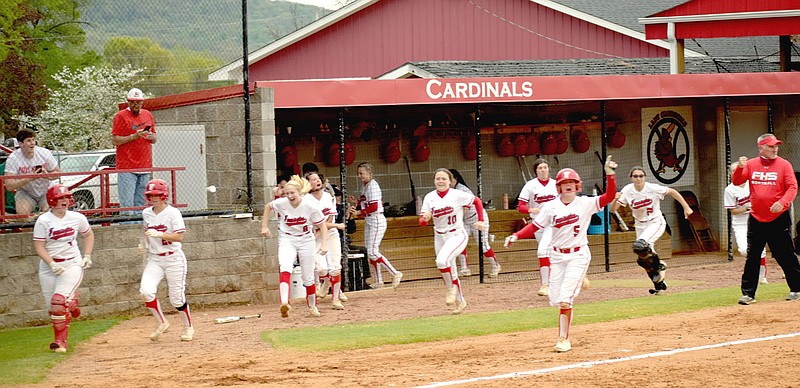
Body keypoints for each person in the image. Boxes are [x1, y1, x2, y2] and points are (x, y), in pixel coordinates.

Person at [504, 157, 618, 352]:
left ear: (577, 186)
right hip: (557, 257)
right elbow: (535, 225)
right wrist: (516, 235)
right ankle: (578, 280)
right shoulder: (551, 206)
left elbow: (609, 197)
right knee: (554, 299)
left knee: (565, 299)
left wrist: (610, 174)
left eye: (571, 183)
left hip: (578, 254)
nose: (568, 186)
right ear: (558, 187)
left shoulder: (585, 203)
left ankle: (563, 339)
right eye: (564, 183)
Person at [732, 133, 800, 305]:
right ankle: (748, 294)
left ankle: (796, 288)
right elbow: (737, 181)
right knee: (753, 256)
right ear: (760, 147)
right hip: (756, 218)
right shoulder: (751, 164)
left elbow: (792, 187)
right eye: (770, 146)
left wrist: (782, 202)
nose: (775, 148)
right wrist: (740, 167)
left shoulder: (784, 165)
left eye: (776, 145)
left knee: (784, 255)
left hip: (779, 218)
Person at [609, 166, 693, 295]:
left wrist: (686, 208)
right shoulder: (627, 190)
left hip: (655, 222)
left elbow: (672, 192)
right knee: (643, 259)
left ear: (645, 177)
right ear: (631, 178)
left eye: (641, 176)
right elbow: (612, 210)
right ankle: (659, 285)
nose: (638, 179)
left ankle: (660, 265)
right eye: (635, 176)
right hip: (640, 225)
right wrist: (615, 199)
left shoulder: (652, 188)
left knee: (641, 245)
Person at [33, 184, 94, 352]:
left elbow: (88, 234)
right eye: (60, 198)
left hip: (71, 264)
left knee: (58, 302)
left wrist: (87, 256)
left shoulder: (76, 217)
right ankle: (72, 304)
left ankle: (60, 343)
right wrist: (51, 263)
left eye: (66, 197)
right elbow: (39, 246)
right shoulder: (44, 220)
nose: (65, 201)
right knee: (52, 309)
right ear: (52, 201)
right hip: (49, 267)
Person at [419, 168, 486, 314]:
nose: (441, 181)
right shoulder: (430, 197)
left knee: (442, 261)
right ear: (434, 181)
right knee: (451, 271)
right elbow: (422, 221)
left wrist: (481, 220)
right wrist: (425, 218)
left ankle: (450, 289)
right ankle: (461, 301)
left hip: (456, 234)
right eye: (438, 178)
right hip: (439, 236)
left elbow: (477, 201)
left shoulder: (457, 194)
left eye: (444, 178)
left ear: (450, 181)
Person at [261, 175, 329, 318]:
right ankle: (284, 302)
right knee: (285, 267)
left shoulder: (309, 206)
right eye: (287, 193)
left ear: (299, 192)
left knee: (308, 277)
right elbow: (268, 207)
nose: (290, 196)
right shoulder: (282, 203)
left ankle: (312, 306)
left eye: (292, 193)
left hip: (306, 240)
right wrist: (264, 226)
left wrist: (324, 244)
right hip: (287, 239)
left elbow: (322, 224)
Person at [139, 179, 194, 341]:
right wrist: (143, 244)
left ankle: (187, 327)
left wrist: (160, 234)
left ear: (164, 195)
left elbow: (180, 236)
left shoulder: (173, 213)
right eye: (151, 195)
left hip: (173, 258)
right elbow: (145, 232)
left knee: (176, 298)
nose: (154, 198)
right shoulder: (146, 213)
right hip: (155, 259)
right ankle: (161, 322)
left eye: (157, 195)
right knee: (146, 291)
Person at [350, 162, 402, 289]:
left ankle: (395, 273)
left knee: (373, 252)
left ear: (370, 173)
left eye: (362, 173)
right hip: (370, 220)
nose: (360, 176)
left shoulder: (373, 185)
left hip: (377, 219)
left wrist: (359, 212)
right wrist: (356, 203)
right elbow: (365, 203)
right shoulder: (365, 186)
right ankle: (379, 281)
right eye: (358, 173)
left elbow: (373, 207)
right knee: (370, 251)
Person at [112, 88, 156, 219]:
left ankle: (139, 231)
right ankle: (126, 232)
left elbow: (155, 138)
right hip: (127, 167)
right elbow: (115, 140)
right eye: (132, 102)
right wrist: (133, 136)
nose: (135, 105)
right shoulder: (120, 116)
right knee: (127, 206)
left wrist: (149, 136)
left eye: (138, 102)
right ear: (128, 102)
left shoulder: (147, 115)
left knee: (141, 206)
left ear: (142, 102)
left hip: (145, 166)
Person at [304, 172, 347, 310]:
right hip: (316, 236)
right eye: (312, 180)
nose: (316, 181)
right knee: (321, 268)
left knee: (335, 267)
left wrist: (328, 227)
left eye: (317, 179)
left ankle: (335, 299)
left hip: (331, 234)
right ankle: (327, 280)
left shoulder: (329, 196)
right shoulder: (306, 200)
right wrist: (335, 226)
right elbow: (315, 223)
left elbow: (328, 219)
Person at [516, 158, 558, 296]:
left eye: (545, 167)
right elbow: (520, 206)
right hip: (537, 224)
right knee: (547, 253)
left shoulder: (556, 184)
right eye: (540, 168)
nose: (543, 170)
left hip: (553, 223)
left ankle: (546, 285)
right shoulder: (530, 185)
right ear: (536, 171)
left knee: (543, 251)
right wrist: (530, 210)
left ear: (549, 169)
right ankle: (551, 283)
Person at [449, 168, 501, 278]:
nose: (448, 182)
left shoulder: (461, 189)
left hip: (477, 218)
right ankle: (464, 269)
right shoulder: (450, 192)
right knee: (459, 242)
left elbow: (465, 208)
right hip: (465, 221)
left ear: (456, 179)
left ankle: (495, 266)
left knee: (483, 245)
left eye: (450, 179)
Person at [724, 162, 768, 285]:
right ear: (731, 174)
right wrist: (746, 208)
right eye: (733, 170)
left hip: (757, 219)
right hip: (740, 223)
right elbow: (733, 211)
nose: (736, 172)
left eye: (739, 169)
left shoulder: (752, 184)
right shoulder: (729, 190)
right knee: (744, 250)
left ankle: (762, 277)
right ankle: (755, 271)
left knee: (761, 249)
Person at [3, 129, 61, 215]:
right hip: (26, 192)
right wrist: (28, 178)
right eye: (29, 140)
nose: (32, 143)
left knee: (47, 213)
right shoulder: (13, 158)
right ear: (21, 144)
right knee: (23, 214)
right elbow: (9, 185)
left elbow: (58, 173)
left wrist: (47, 175)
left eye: (33, 140)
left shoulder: (44, 153)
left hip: (46, 190)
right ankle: (30, 227)